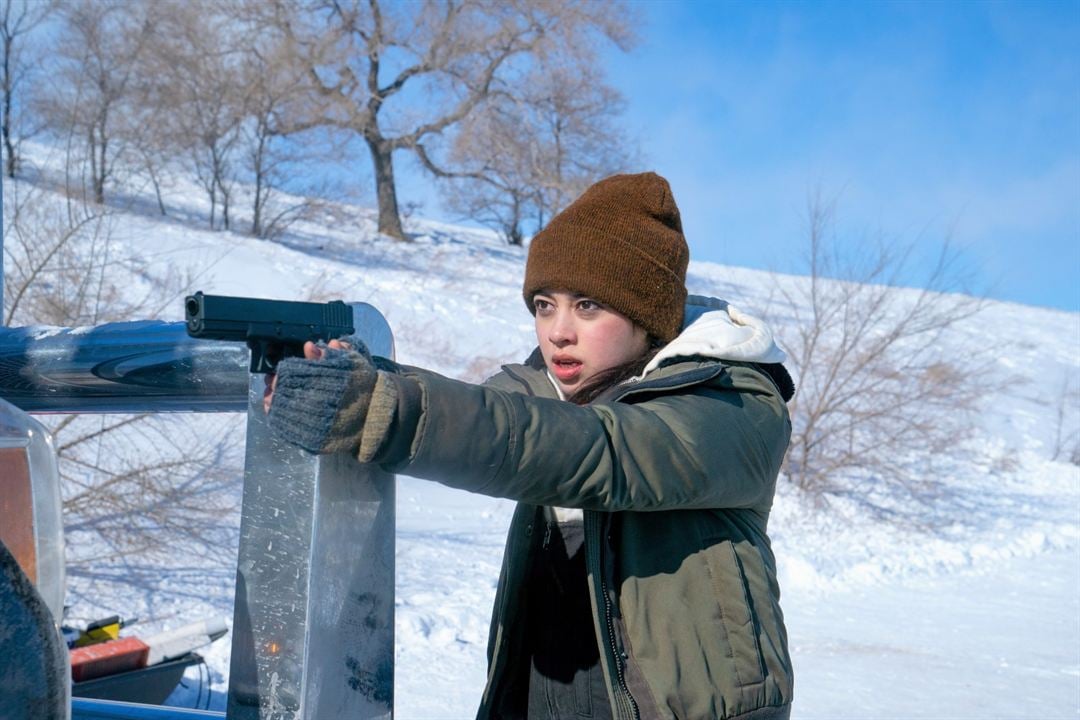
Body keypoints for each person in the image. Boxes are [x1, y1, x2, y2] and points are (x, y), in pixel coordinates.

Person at [265, 172, 796, 720]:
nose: (558, 331)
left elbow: (593, 452)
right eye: (545, 304)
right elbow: (475, 414)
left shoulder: (729, 400)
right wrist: (354, 377)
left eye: (588, 306)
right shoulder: (547, 393)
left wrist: (377, 409)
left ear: (647, 315)